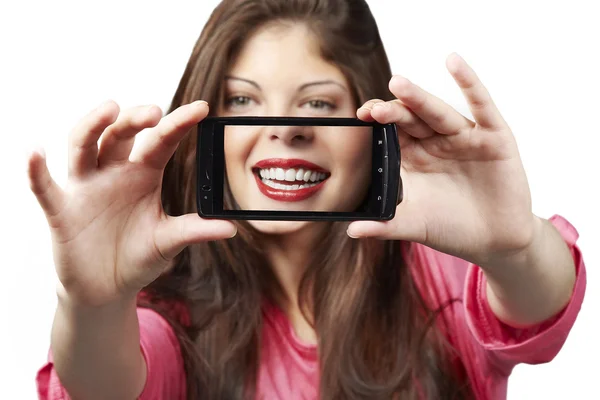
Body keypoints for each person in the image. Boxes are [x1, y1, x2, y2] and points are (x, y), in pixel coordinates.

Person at [29, 0, 586, 399]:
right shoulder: (168, 312)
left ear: (370, 125)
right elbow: (103, 387)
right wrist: (92, 304)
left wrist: (514, 247)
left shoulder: (435, 270)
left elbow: (536, 308)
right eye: (244, 100)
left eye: (318, 105)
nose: (284, 130)